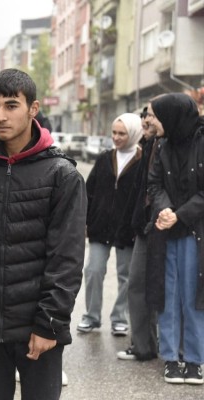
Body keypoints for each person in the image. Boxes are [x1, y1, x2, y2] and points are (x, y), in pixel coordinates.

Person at [0, 68, 86, 400]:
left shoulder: (62, 175)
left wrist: (49, 323)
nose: (0, 116)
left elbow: (66, 259)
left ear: (33, 108)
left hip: (38, 329)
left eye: (11, 105)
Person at [147, 93, 204, 385]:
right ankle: (171, 358)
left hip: (196, 230)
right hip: (167, 229)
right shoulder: (163, 145)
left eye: (158, 116)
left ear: (173, 117)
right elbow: (154, 184)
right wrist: (165, 210)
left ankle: (195, 360)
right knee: (168, 294)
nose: (153, 122)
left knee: (193, 295)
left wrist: (180, 215)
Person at [77, 113, 143, 336]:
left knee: (127, 276)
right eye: (114, 132)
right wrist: (86, 220)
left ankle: (119, 318)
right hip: (100, 226)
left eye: (122, 133)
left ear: (133, 133)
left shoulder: (143, 160)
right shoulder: (104, 158)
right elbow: (89, 191)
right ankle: (91, 317)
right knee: (93, 270)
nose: (116, 137)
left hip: (127, 229)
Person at [116, 105, 161, 362]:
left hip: (168, 224)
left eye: (151, 115)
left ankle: (178, 352)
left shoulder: (173, 146)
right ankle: (144, 345)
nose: (146, 120)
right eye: (145, 115)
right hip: (145, 226)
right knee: (137, 285)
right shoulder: (150, 145)